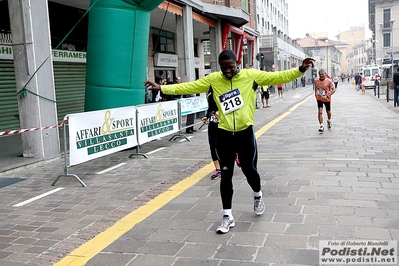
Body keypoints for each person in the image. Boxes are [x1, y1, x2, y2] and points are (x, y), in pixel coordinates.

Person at [144, 50, 314, 234]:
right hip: (224, 134)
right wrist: (162, 88)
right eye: (223, 68)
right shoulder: (214, 79)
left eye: (230, 67)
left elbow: (278, 76)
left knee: (249, 170)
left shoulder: (251, 76)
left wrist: (300, 69)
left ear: (237, 63)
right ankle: (227, 216)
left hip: (245, 133)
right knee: (226, 174)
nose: (227, 71)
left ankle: (258, 195)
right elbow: (190, 87)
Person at [201, 90, 221, 180]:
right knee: (213, 145)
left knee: (226, 144)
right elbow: (210, 107)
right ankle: (218, 169)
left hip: (225, 123)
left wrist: (220, 112)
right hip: (213, 123)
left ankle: (236, 156)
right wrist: (207, 116)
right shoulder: (209, 93)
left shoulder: (224, 88)